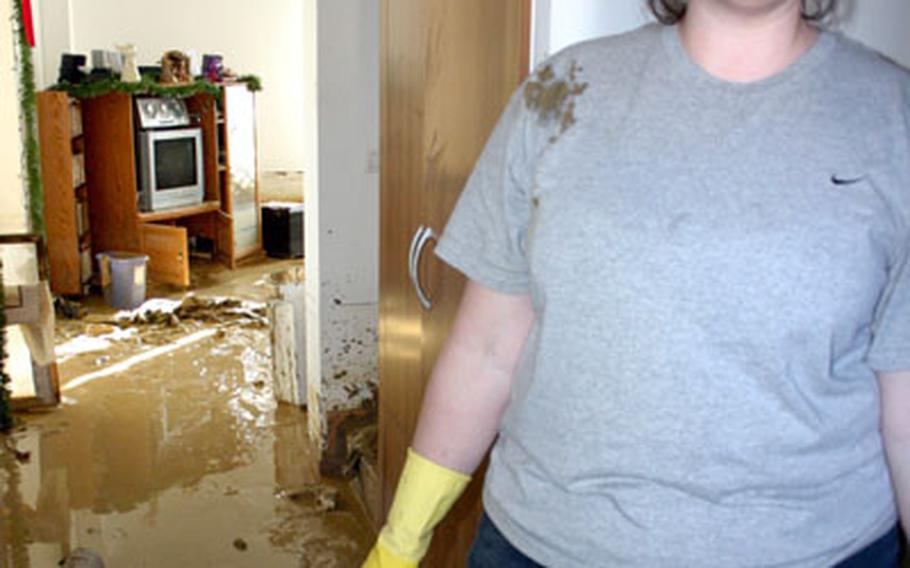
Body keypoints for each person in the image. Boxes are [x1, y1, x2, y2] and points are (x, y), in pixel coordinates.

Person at [364, 0, 910, 565]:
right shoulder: (560, 92)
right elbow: (487, 350)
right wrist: (400, 541)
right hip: (539, 545)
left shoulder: (896, 118)